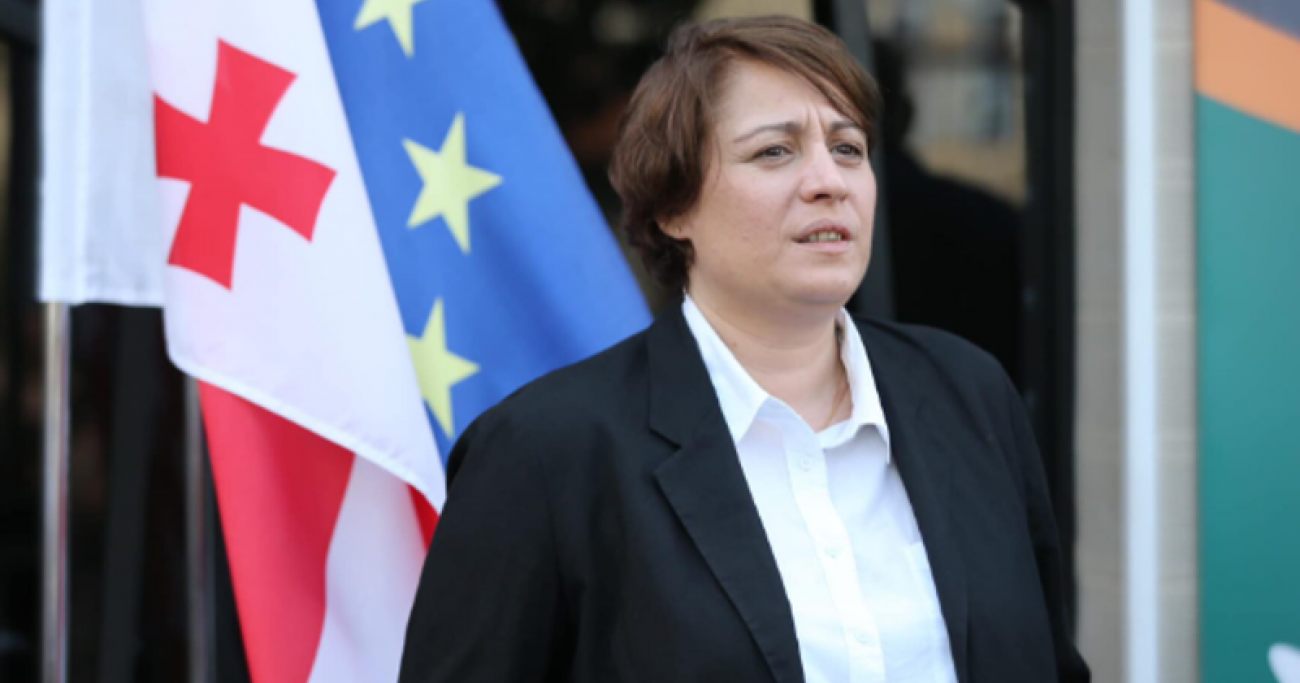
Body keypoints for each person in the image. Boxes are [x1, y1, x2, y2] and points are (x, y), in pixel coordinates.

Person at [399, 15, 1089, 683]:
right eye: (774, 151)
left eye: (848, 148)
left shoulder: (969, 393)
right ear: (674, 206)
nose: (828, 180)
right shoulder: (546, 451)